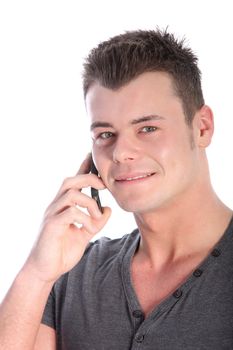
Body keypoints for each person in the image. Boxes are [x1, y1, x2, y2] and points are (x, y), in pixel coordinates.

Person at [0, 28, 232, 350]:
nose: (121, 152)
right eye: (106, 134)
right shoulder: (73, 275)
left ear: (202, 127)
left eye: (148, 128)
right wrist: (37, 274)